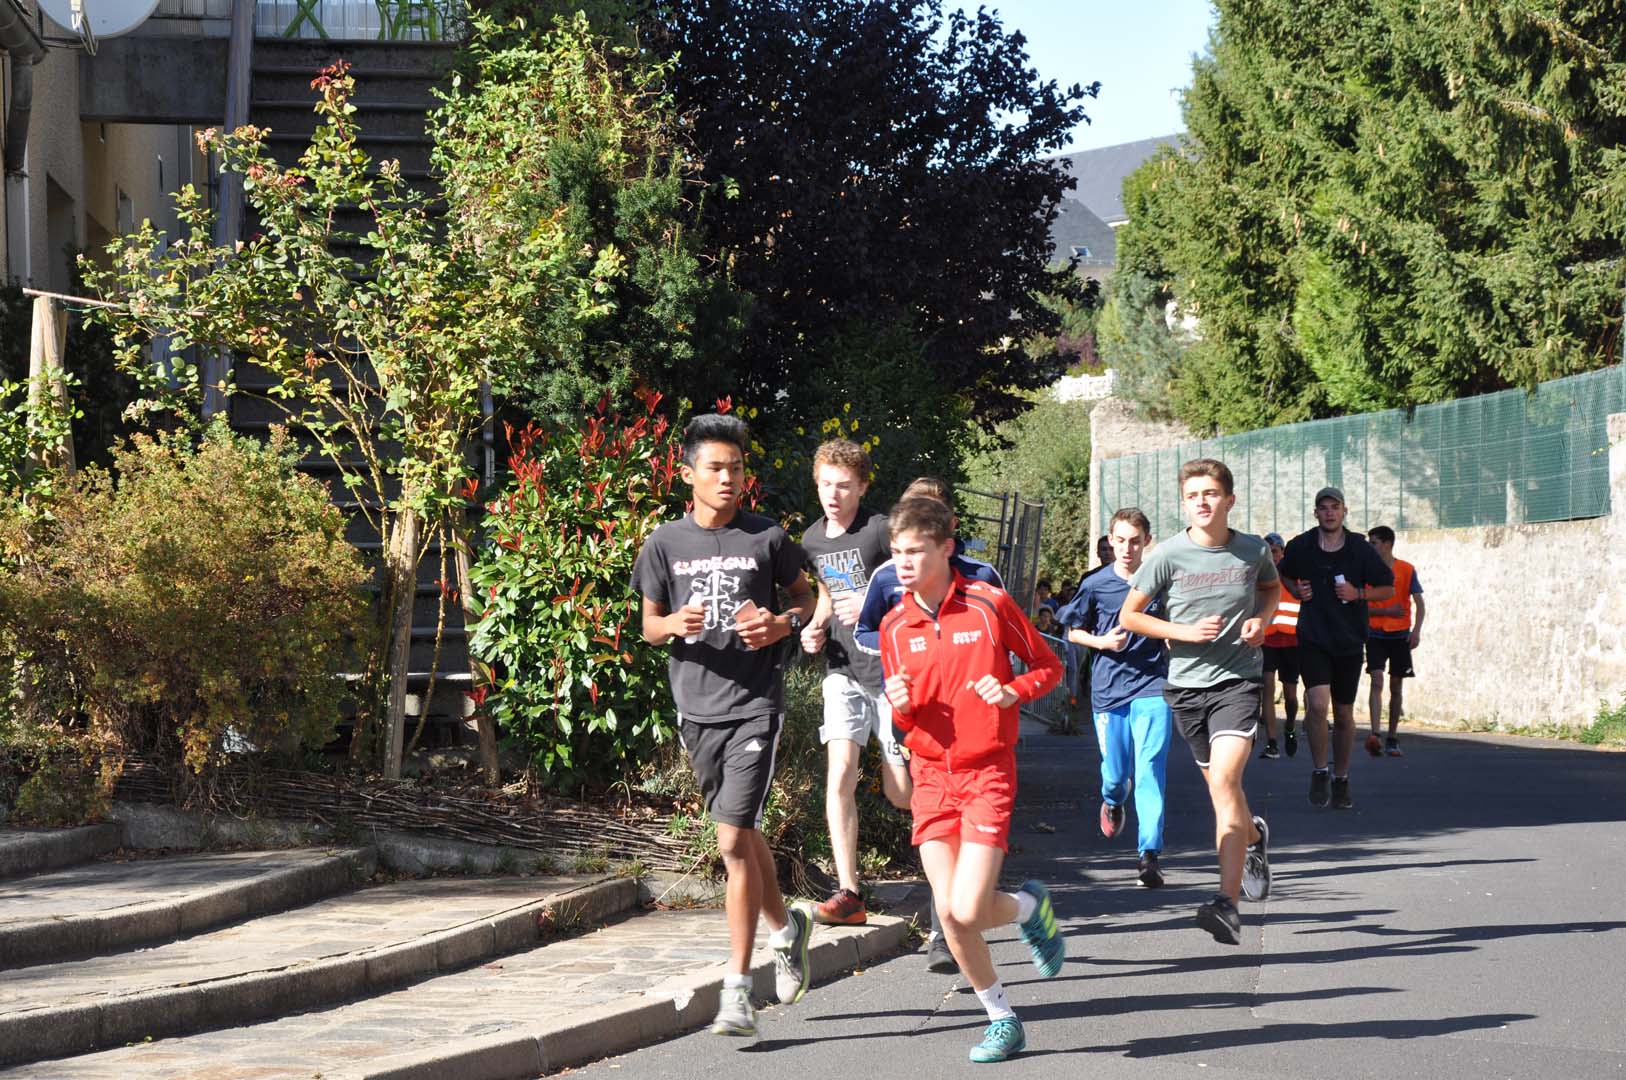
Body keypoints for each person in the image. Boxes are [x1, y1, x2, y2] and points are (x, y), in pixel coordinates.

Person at [632, 413, 818, 1039]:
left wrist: (781, 625)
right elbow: (648, 624)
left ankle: (738, 990)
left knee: (733, 841)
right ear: (687, 474)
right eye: (715, 468)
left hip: (755, 704)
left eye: (736, 468)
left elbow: (807, 597)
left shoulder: (767, 536)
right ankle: (787, 931)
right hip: (696, 709)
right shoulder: (664, 543)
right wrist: (674, 626)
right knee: (741, 836)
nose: (728, 478)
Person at [878, 496, 1066, 1063]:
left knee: (964, 908)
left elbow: (1048, 666)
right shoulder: (893, 626)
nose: (903, 563)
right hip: (932, 776)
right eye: (896, 553)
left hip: (987, 771)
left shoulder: (989, 605)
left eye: (915, 551)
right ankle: (1002, 1019)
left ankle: (1031, 909)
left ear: (946, 549)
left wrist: (1013, 691)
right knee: (951, 913)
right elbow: (905, 719)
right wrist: (899, 707)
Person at [1119, 458, 1278, 947]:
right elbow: (1131, 616)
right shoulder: (1167, 554)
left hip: (1238, 682)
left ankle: (1227, 905)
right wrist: (1182, 632)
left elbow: (1272, 589)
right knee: (1224, 797)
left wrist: (1262, 621)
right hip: (1187, 689)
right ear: (1183, 503)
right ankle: (1253, 838)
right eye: (1193, 495)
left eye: (1211, 493)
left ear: (1229, 500)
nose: (1202, 502)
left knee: (1226, 783)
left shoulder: (1252, 551)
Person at [853, 477, 1003, 975]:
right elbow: (868, 630)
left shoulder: (983, 578)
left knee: (956, 852)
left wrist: (1000, 690)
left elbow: (1002, 638)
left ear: (946, 532)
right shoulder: (886, 577)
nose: (910, 553)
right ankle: (961, 908)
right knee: (901, 796)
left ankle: (946, 929)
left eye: (927, 526)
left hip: (974, 734)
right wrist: (905, 656)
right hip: (906, 711)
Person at [797, 439, 911, 927]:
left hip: (890, 674)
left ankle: (954, 862)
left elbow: (917, 583)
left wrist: (869, 598)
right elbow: (827, 589)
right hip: (842, 670)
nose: (833, 494)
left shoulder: (881, 531)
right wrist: (815, 625)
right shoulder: (813, 539)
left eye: (844, 485)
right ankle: (850, 893)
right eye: (825, 484)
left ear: (863, 486)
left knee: (899, 791)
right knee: (839, 773)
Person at [1056, 507, 1174, 888]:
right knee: (1116, 775)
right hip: (1109, 692)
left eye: (1135, 541)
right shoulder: (1096, 584)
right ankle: (1111, 800)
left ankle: (1149, 855)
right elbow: (1073, 631)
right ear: (1110, 541)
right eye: (1120, 540)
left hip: (1153, 685)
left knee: (1150, 769)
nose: (1127, 548)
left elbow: (1174, 625)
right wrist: (1102, 641)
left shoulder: (1159, 582)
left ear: (1147, 543)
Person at [1276, 488, 1395, 809]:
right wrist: (1295, 589)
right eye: (1323, 508)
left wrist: (1358, 594)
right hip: (1313, 637)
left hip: (1349, 640)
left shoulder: (1359, 548)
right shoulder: (1302, 545)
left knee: (1343, 713)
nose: (1329, 513)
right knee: (1316, 704)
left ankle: (1341, 778)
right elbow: (1282, 572)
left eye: (1335, 508)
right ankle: (1319, 770)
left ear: (1344, 512)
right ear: (1316, 513)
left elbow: (1387, 587)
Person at [1363, 525, 1425, 757]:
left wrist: (1416, 630)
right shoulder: (1367, 571)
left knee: (1396, 686)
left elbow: (1419, 603)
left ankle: (1392, 736)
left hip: (1400, 635)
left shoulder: (1406, 569)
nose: (1371, 547)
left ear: (1387, 544)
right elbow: (1360, 604)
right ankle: (1375, 733)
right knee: (1376, 681)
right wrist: (1386, 611)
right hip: (1375, 634)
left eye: (1374, 543)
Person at [1258, 532, 1302, 760]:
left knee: (1291, 695)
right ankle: (1272, 742)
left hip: (1291, 640)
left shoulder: (1293, 575)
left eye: (1275, 551)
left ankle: (1291, 726)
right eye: (1268, 552)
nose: (1272, 556)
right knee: (1267, 687)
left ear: (1282, 553)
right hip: (1267, 639)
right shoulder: (1259, 576)